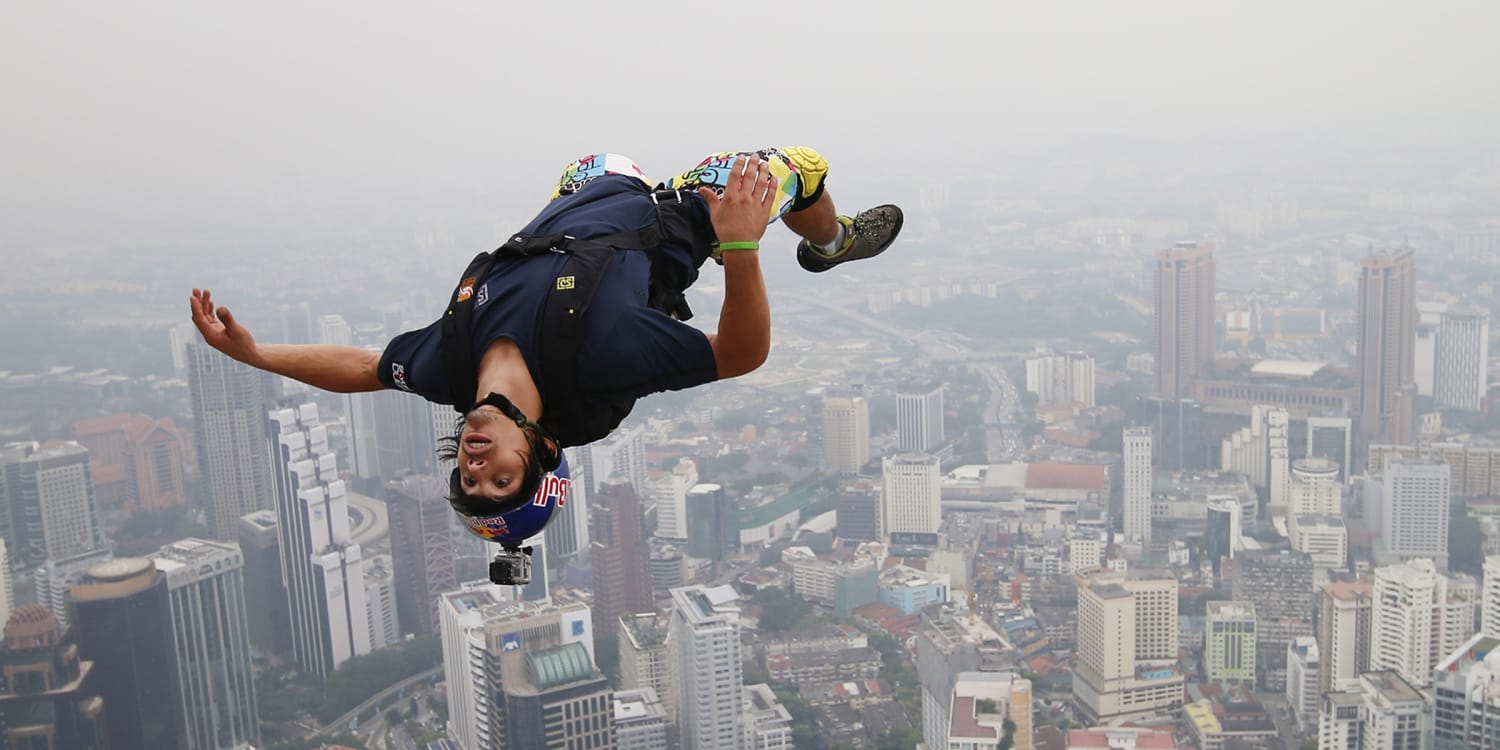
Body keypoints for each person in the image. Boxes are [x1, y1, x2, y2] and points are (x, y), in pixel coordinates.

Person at [190, 148, 902, 522]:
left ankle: (617, 181)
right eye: (501, 477)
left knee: (597, 155)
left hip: (587, 190)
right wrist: (740, 244)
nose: (477, 464)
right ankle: (833, 243)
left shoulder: (450, 367)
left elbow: (364, 365)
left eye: (470, 476)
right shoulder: (599, 362)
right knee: (801, 165)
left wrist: (254, 355)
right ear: (542, 446)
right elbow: (739, 355)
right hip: (690, 213)